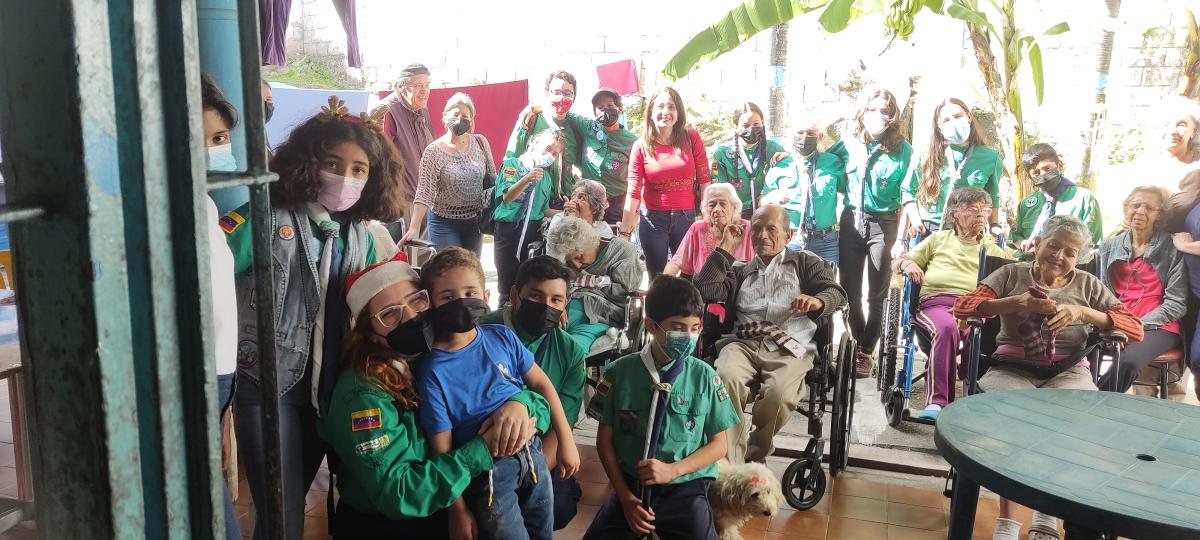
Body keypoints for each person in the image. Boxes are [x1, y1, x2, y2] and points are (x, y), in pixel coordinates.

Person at [224, 96, 407, 540]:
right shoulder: (264, 218)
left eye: (359, 169)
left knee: (315, 500)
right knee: (282, 514)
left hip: (334, 390)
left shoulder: (363, 236)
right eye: (333, 163)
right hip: (271, 386)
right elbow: (208, 268)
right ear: (308, 162)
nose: (346, 178)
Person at [318, 255, 553, 537]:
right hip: (391, 522)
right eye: (389, 314)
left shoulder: (425, 355)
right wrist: (483, 447)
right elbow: (399, 492)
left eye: (417, 300)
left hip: (443, 496)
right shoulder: (363, 393)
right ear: (369, 332)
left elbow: (521, 393)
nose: (410, 317)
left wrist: (521, 404)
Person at [953, 215, 1143, 540]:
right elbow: (964, 306)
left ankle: (1047, 513)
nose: (1059, 256)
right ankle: (1007, 522)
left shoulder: (1087, 284)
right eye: (1053, 245)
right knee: (1014, 425)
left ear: (1079, 257)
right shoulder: (1011, 273)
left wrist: (1083, 312)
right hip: (1011, 367)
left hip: (1068, 371)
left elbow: (1134, 328)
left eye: (1070, 252)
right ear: (1038, 243)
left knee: (1073, 428)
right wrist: (1017, 302)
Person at [415, 247, 580, 540]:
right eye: (448, 297)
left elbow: (542, 385)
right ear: (430, 304)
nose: (462, 302)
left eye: (470, 293)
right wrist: (457, 509)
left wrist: (567, 442)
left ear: (486, 295)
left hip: (534, 454)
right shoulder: (432, 371)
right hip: (489, 472)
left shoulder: (502, 337)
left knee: (543, 529)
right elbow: (441, 447)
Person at [581, 275, 739, 540]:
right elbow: (604, 443)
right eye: (678, 328)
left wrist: (671, 471)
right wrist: (625, 499)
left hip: (685, 487)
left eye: (694, 328)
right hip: (631, 486)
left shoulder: (705, 376)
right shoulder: (619, 373)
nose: (688, 336)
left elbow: (719, 445)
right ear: (651, 326)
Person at [694, 204, 847, 463]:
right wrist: (725, 247)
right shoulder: (739, 270)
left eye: (771, 229)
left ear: (788, 234)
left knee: (779, 395)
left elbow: (836, 293)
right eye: (756, 229)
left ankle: (755, 456)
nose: (762, 235)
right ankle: (732, 464)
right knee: (725, 380)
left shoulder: (805, 263)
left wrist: (817, 301)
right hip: (742, 344)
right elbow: (702, 290)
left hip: (790, 346)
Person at [480, 256, 587, 531]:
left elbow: (563, 424)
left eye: (556, 300)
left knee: (557, 505)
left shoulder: (570, 352)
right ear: (515, 295)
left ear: (565, 305)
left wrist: (529, 475)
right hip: (482, 445)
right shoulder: (481, 331)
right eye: (535, 296)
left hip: (536, 451)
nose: (546, 306)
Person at [890, 188, 1007, 420]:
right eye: (973, 209)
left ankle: (970, 389)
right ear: (954, 215)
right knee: (946, 328)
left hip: (975, 307)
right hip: (936, 304)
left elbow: (1011, 278)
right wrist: (908, 265)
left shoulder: (994, 250)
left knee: (979, 332)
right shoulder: (938, 239)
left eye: (985, 210)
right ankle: (937, 402)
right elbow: (898, 261)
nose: (981, 215)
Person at [830, 89, 914, 378]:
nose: (878, 116)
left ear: (893, 118)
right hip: (852, 221)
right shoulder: (848, 144)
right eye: (873, 109)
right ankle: (858, 342)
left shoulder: (903, 149)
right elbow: (820, 162)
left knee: (876, 293)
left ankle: (866, 351)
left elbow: (909, 192)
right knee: (849, 290)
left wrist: (901, 236)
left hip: (885, 224)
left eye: (885, 112)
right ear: (862, 112)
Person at [200, 72, 242, 540]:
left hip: (219, 376)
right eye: (201, 140)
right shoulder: (167, 208)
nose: (214, 150)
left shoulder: (205, 204)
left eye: (220, 138)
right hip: (195, 378)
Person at [1097, 186, 1187, 393]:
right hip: (1117, 321)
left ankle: (1090, 404)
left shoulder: (1171, 248)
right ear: (1126, 209)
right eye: (1135, 205)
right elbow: (1102, 294)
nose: (1140, 211)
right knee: (1079, 349)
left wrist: (1133, 326)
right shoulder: (1108, 247)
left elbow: (1177, 304)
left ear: (1159, 214)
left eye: (1149, 207)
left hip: (1160, 326)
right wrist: (1115, 324)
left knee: (1127, 363)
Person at [619, 87, 712, 277]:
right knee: (657, 278)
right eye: (660, 106)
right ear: (651, 112)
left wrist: (707, 220)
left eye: (671, 107)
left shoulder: (691, 138)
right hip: (653, 220)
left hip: (686, 219)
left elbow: (705, 182)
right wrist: (624, 234)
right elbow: (633, 192)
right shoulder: (640, 146)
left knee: (689, 278)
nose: (666, 112)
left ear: (678, 113)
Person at [402, 93, 495, 255]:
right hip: (443, 223)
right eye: (456, 114)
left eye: (465, 116)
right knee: (450, 266)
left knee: (471, 267)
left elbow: (493, 178)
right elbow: (424, 192)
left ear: (471, 120)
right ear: (445, 116)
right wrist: (414, 227)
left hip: (475, 222)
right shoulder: (433, 151)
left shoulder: (480, 142)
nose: (460, 119)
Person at [899, 97, 1002, 237]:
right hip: (930, 230)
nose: (953, 123)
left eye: (958, 116)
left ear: (969, 117)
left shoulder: (991, 157)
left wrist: (994, 225)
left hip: (970, 232)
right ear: (939, 126)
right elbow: (907, 190)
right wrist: (916, 222)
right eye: (946, 120)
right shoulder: (926, 154)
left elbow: (992, 196)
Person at [545, 216, 646, 354]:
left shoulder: (622, 251)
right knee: (539, 343)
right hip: (560, 312)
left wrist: (590, 280)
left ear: (590, 243)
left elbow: (624, 292)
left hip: (597, 318)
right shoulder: (569, 259)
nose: (576, 266)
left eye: (578, 257)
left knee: (569, 352)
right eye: (569, 262)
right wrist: (558, 303)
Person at [492, 129, 565, 307]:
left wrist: (565, 213)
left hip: (533, 233)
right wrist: (527, 179)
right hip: (509, 231)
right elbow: (507, 197)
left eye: (555, 154)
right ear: (534, 143)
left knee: (528, 284)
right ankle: (503, 316)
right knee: (507, 284)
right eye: (548, 148)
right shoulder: (513, 165)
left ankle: (524, 317)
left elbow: (543, 210)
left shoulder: (546, 178)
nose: (550, 155)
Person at [759, 110, 846, 261]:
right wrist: (770, 198)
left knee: (826, 277)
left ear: (820, 137)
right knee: (787, 277)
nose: (805, 137)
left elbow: (849, 191)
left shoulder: (833, 162)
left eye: (811, 133)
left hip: (826, 242)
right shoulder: (780, 164)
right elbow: (762, 202)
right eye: (800, 132)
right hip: (789, 239)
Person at [1160, 100, 1200, 399]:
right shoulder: (1157, 167)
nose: (1174, 130)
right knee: (1185, 359)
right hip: (1173, 281)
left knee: (1197, 358)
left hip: (1193, 282)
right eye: (1169, 123)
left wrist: (1186, 245)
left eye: (1183, 124)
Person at [1010, 143, 1103, 254]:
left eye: (1047, 168)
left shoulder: (1084, 199)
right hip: (1029, 262)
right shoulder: (1025, 205)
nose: (1043, 175)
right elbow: (1015, 238)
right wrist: (1023, 243)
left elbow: (1093, 245)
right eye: (1036, 173)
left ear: (1059, 166)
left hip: (1069, 263)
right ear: (1030, 177)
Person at [508, 71, 582, 203]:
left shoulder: (576, 127)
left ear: (574, 97)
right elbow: (511, 159)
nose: (561, 97)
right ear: (547, 94)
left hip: (564, 203)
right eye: (556, 92)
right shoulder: (530, 120)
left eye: (567, 93)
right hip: (533, 203)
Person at [710, 102, 791, 219]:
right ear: (736, 127)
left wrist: (787, 155)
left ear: (762, 124)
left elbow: (790, 170)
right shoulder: (721, 153)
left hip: (767, 213)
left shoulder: (773, 148)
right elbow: (717, 187)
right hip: (735, 215)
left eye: (756, 124)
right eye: (746, 125)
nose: (751, 128)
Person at [663, 183, 752, 277]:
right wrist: (663, 282)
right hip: (705, 285)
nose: (717, 209)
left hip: (740, 285)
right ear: (706, 209)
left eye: (723, 204)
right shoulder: (698, 229)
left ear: (734, 207)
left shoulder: (747, 228)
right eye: (712, 205)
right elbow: (677, 261)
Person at [582, 88, 638, 223]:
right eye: (600, 108)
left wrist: (634, 214)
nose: (605, 110)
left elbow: (638, 179)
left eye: (610, 105)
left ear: (620, 109)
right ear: (595, 113)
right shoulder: (588, 129)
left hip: (616, 206)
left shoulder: (633, 141)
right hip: (588, 205)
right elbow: (566, 116)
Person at [381, 63, 433, 204]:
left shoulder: (422, 108)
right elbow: (379, 160)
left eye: (427, 85)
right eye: (418, 85)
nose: (424, 91)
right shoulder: (387, 111)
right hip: (402, 203)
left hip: (427, 199)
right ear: (402, 87)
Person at [547, 178, 613, 240]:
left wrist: (578, 223)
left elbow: (589, 248)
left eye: (582, 198)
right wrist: (570, 221)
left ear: (594, 209)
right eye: (573, 196)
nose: (574, 200)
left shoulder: (603, 230)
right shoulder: (560, 219)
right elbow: (554, 245)